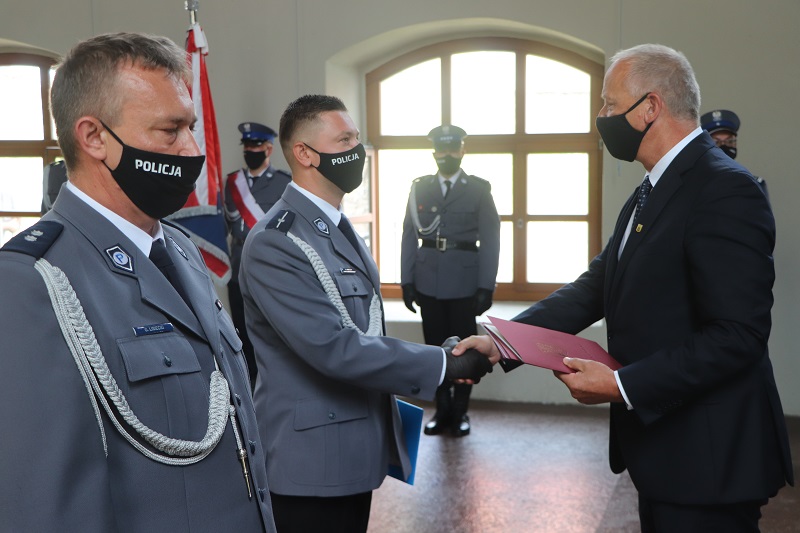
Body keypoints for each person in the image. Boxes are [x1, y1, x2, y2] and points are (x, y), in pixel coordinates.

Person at [456, 44, 793, 532]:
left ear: (650, 108)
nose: (601, 117)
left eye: (609, 105)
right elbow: (597, 286)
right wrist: (500, 340)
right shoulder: (652, 187)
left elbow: (737, 334)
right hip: (667, 453)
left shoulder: (723, 189)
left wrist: (621, 385)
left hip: (710, 458)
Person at [0, 32, 276, 532]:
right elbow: (47, 507)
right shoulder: (29, 283)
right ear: (94, 138)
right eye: (170, 131)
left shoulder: (179, 248)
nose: (193, 152)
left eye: (191, 127)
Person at [239, 94, 493, 533]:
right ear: (304, 153)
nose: (356, 150)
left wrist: (443, 356)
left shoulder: (335, 226)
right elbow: (335, 348)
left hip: (353, 447)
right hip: (311, 461)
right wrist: (443, 365)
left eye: (357, 138)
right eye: (344, 139)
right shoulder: (275, 242)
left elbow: (363, 329)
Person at [400, 124, 500, 437]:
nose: (446, 155)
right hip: (428, 280)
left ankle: (460, 413)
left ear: (462, 150)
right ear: (434, 152)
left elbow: (491, 239)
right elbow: (408, 236)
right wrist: (406, 281)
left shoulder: (479, 188)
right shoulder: (419, 187)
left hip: (465, 285)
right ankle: (441, 411)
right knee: (434, 350)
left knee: (465, 351)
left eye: (452, 149)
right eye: (440, 149)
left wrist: (486, 285)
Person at [225, 121, 291, 388]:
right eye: (247, 146)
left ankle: (275, 388)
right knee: (241, 332)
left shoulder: (284, 183)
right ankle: (250, 389)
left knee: (273, 333)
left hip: (271, 268)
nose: (250, 150)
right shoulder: (232, 183)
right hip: (239, 267)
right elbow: (224, 227)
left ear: (269, 149)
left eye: (256, 146)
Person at [701, 109, 768, 198]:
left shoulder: (753, 184)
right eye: (716, 142)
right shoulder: (694, 185)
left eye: (729, 141)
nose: (724, 146)